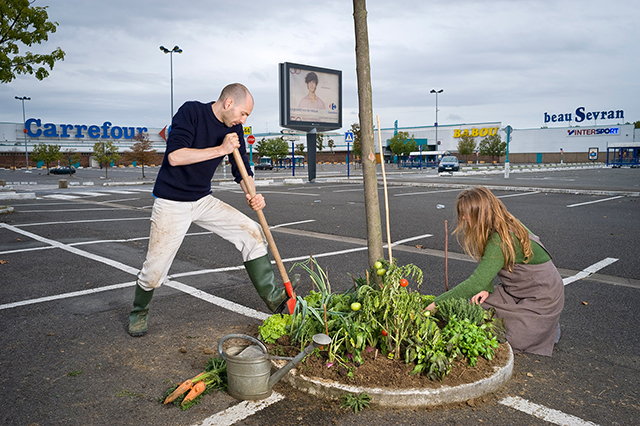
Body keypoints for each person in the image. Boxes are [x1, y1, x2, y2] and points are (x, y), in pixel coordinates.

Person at [128, 83, 295, 337]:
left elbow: (242, 169)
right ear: (229, 103)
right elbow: (175, 156)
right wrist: (221, 149)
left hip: (203, 200)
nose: (243, 120)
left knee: (251, 232)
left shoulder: (233, 127)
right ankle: (139, 311)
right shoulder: (191, 112)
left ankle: (277, 301)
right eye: (243, 113)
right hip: (172, 201)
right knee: (154, 271)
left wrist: (253, 194)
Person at [426, 186, 564, 356]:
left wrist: (434, 305)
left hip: (543, 295)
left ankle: (545, 326)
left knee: (504, 334)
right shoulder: (502, 223)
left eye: (466, 213)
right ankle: (541, 325)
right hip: (521, 289)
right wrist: (486, 287)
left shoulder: (500, 240)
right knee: (477, 307)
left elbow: (475, 283)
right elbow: (486, 273)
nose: (462, 217)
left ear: (480, 214)